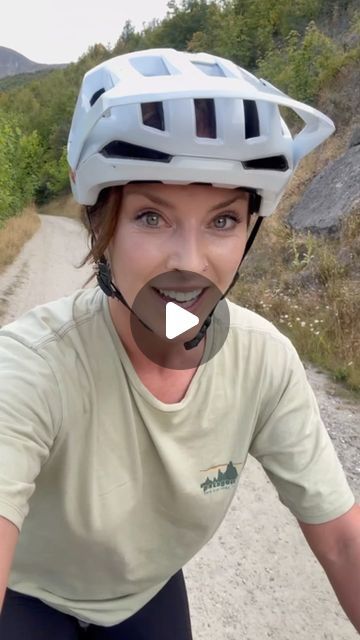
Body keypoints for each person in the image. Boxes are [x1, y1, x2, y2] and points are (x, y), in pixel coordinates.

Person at [0, 48, 359, 639]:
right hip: (30, 593)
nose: (189, 265)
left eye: (222, 221)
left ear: (250, 229)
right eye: (150, 217)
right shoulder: (33, 367)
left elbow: (345, 542)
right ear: (100, 223)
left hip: (144, 593)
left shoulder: (262, 362)